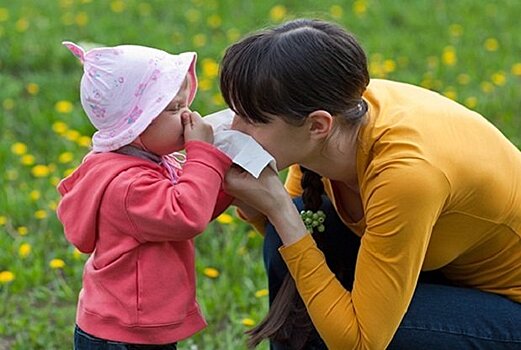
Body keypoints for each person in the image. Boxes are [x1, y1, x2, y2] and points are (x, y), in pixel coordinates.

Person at [220, 19, 521, 349]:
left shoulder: (406, 173)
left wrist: (279, 209)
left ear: (318, 125)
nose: (235, 129)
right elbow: (297, 243)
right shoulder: (335, 110)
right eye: (235, 113)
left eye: (252, 119)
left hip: (508, 309)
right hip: (448, 276)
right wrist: (255, 205)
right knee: (294, 252)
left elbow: (360, 343)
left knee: (321, 325)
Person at [57, 42, 232, 349]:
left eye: (184, 104)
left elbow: (193, 204)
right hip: (124, 336)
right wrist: (202, 155)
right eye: (174, 109)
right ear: (135, 122)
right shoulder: (128, 187)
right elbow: (186, 215)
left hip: (137, 326)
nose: (188, 115)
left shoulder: (145, 164)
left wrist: (227, 180)